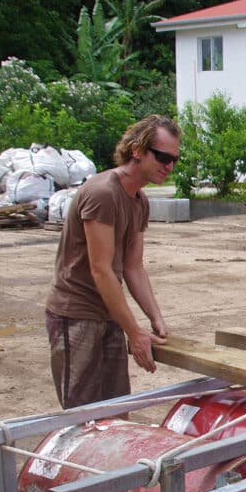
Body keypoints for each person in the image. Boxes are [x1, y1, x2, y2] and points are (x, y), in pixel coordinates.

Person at [44, 114, 181, 408]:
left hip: (109, 315)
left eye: (174, 160)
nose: (168, 166)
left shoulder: (139, 201)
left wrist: (154, 318)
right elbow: (101, 270)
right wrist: (134, 331)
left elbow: (133, 267)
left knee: (115, 410)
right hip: (77, 316)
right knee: (82, 415)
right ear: (137, 150)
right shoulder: (103, 193)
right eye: (162, 157)